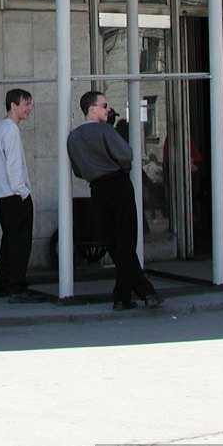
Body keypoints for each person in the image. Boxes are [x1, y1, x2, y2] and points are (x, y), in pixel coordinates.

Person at [66, 90, 163, 311]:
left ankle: (141, 293)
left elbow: (77, 170)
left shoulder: (73, 137)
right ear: (92, 109)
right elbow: (126, 155)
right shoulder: (105, 131)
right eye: (104, 105)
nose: (108, 109)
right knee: (126, 240)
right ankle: (124, 295)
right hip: (117, 184)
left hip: (97, 190)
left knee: (114, 241)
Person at [0, 88, 45, 303]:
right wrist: (23, 192)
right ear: (13, 105)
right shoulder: (11, 130)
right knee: (20, 242)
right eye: (26, 103)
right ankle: (16, 285)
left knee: (9, 241)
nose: (29, 108)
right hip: (15, 195)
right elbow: (13, 165)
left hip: (4, 195)